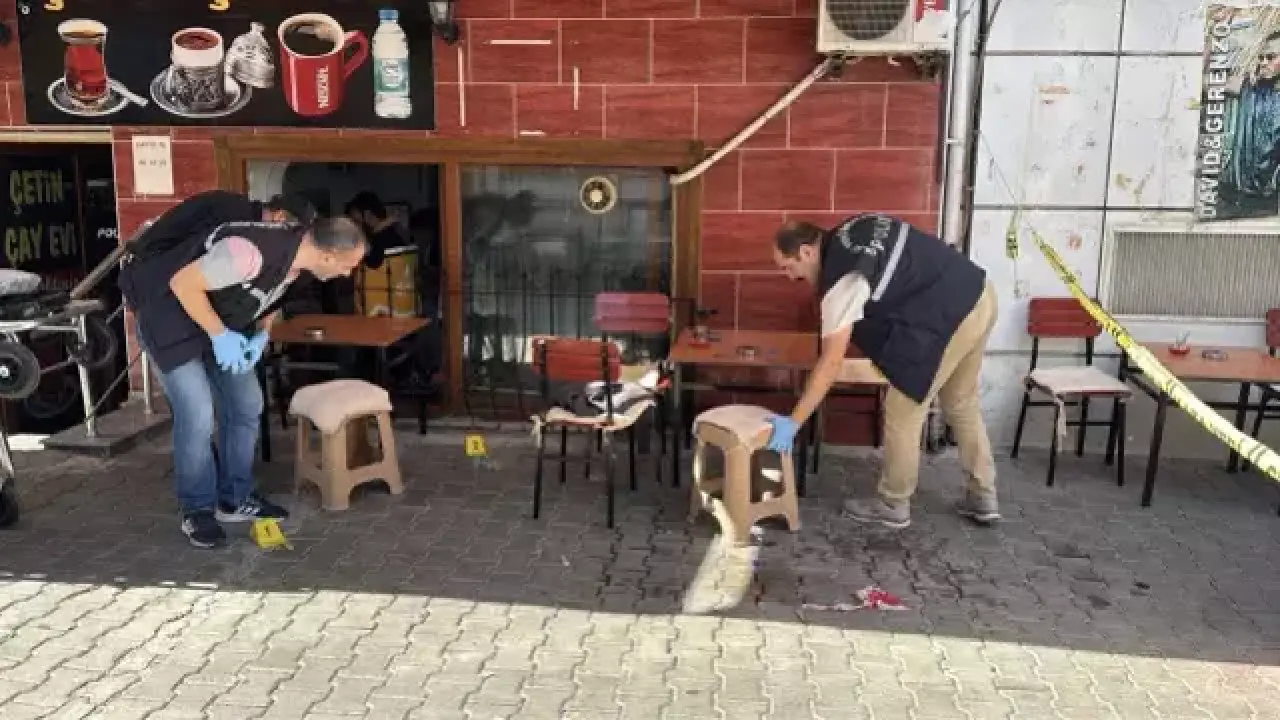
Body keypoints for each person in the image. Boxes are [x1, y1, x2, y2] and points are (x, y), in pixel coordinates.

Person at [119, 199, 368, 548]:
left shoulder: (299, 263)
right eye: (348, 265)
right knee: (198, 414)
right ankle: (197, 509)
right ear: (328, 255)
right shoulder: (248, 251)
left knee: (247, 404)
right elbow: (183, 283)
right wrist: (221, 337)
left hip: (220, 324)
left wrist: (261, 334)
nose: (348, 274)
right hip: (170, 323)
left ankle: (235, 498)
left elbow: (272, 298)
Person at [765, 214, 999, 530]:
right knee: (960, 401)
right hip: (978, 293)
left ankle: (893, 503)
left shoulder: (843, 280)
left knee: (902, 409)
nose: (789, 277)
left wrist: (794, 422)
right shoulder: (853, 228)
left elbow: (831, 362)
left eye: (787, 267)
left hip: (948, 316)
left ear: (806, 252)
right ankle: (983, 495)